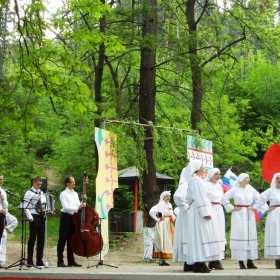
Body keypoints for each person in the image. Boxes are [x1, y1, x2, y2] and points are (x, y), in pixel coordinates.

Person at [221, 173, 266, 269]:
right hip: (239, 214)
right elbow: (224, 198)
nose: (248, 180)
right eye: (246, 178)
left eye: (249, 178)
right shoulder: (235, 189)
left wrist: (255, 207)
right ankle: (241, 261)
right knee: (240, 234)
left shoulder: (250, 188)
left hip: (249, 213)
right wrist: (232, 208)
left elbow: (259, 197)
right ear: (241, 179)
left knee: (250, 235)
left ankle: (250, 261)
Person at [185, 159, 221, 273]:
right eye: (202, 165)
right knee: (201, 235)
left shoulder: (195, 180)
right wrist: (205, 212)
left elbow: (189, 198)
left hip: (198, 210)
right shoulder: (196, 181)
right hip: (200, 212)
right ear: (197, 168)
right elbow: (199, 197)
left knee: (199, 235)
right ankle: (199, 262)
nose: (203, 167)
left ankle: (199, 261)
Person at [57, 175, 86, 267]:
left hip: (73, 217)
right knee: (62, 239)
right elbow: (66, 207)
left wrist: (84, 200)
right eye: (72, 182)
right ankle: (60, 261)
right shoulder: (63, 194)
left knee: (71, 239)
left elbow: (79, 205)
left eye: (74, 182)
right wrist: (78, 207)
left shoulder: (75, 194)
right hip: (66, 217)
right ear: (67, 183)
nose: (74, 183)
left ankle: (71, 260)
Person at [253, 172, 280, 268]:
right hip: (275, 215)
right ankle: (278, 259)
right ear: (274, 180)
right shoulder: (270, 191)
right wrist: (265, 209)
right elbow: (260, 200)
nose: (279, 180)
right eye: (278, 178)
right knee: (276, 235)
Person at [204, 168, 225, 270]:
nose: (218, 176)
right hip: (211, 209)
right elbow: (202, 197)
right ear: (211, 175)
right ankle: (211, 258)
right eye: (216, 174)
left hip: (218, 210)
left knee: (219, 232)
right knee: (212, 232)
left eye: (219, 174)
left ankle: (216, 259)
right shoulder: (206, 185)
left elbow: (222, 198)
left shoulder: (219, 186)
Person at [172, 167, 192, 271]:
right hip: (187, 215)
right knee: (187, 236)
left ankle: (191, 261)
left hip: (191, 214)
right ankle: (187, 262)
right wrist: (185, 207)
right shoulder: (186, 185)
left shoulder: (193, 184)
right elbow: (178, 196)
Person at [24, 176, 45, 268]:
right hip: (33, 216)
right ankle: (29, 260)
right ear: (33, 183)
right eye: (37, 184)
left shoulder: (42, 193)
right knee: (32, 238)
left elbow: (43, 204)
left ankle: (39, 260)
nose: (39, 186)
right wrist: (30, 218)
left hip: (41, 216)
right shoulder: (29, 193)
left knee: (41, 239)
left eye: (40, 184)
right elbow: (25, 207)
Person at [149, 190, 175, 266]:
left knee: (167, 240)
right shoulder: (160, 204)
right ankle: (160, 260)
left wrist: (172, 217)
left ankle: (164, 259)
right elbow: (151, 211)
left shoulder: (170, 205)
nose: (168, 197)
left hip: (168, 223)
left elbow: (172, 213)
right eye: (167, 196)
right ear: (163, 197)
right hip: (162, 224)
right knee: (161, 239)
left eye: (169, 196)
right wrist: (157, 219)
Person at [0, 174, 8, 243]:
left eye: (2, 179)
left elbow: (6, 206)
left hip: (1, 217)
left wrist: (3, 199)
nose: (1, 181)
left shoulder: (3, 192)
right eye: (0, 179)